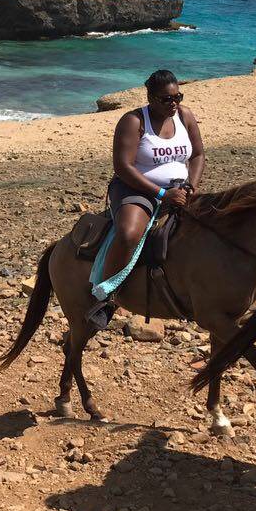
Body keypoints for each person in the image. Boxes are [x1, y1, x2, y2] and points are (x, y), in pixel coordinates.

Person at [90, 70, 205, 325]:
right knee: (130, 232)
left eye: (178, 97)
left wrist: (190, 187)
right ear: (151, 98)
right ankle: (105, 297)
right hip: (137, 189)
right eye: (166, 99)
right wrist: (163, 194)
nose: (173, 103)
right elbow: (123, 166)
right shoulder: (133, 121)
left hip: (180, 190)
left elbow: (197, 155)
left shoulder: (184, 116)